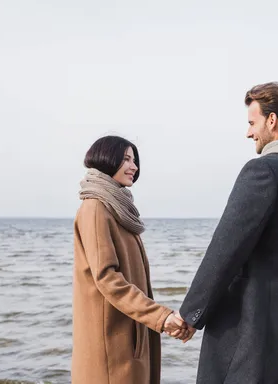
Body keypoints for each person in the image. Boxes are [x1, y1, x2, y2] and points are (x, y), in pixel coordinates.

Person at [178, 82, 278, 383]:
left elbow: (225, 250)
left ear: (272, 120)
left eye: (252, 123)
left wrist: (190, 314)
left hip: (259, 340)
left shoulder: (264, 171)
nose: (248, 133)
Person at [71, 135, 189, 384]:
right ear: (106, 158)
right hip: (112, 346)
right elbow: (107, 278)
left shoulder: (116, 208)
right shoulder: (95, 208)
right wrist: (162, 317)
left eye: (134, 160)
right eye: (126, 159)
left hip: (129, 336)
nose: (134, 166)